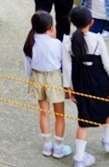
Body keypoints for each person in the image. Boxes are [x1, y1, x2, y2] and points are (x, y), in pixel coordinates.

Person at [63, 5, 109, 167]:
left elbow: (67, 67)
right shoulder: (97, 39)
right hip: (100, 81)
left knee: (83, 119)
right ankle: (108, 142)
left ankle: (79, 158)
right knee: (108, 110)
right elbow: (108, 65)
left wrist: (68, 88)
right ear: (92, 22)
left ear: (71, 21)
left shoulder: (67, 41)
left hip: (80, 82)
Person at [25, 11, 73, 159]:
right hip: (54, 79)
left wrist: (31, 79)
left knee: (44, 113)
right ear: (51, 28)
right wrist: (68, 85)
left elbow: (27, 68)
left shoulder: (29, 43)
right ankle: (58, 147)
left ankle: (47, 144)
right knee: (59, 115)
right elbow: (65, 65)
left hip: (37, 77)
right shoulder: (57, 44)